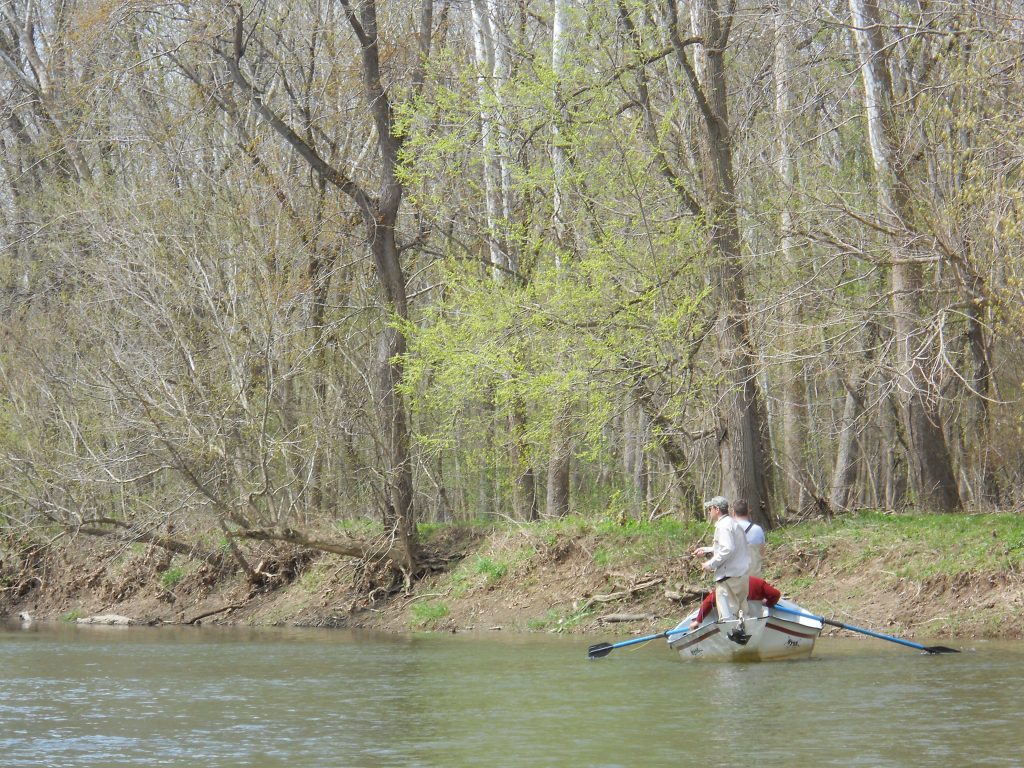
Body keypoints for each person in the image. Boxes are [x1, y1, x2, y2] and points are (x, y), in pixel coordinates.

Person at [691, 495, 751, 624]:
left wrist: (710, 564)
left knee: (728, 618)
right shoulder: (733, 523)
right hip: (741, 576)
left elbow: (727, 549)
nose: (709, 512)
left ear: (717, 509)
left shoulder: (723, 526)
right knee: (742, 614)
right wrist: (706, 550)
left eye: (710, 509)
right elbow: (727, 547)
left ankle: (733, 640)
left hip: (728, 579)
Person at [689, 576, 781, 630]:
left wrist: (698, 621)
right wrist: (768, 603)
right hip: (756, 623)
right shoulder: (756, 582)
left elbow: (708, 602)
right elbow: (775, 594)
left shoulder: (725, 587)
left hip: (734, 624)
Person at [732, 498, 765, 577]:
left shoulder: (729, 530)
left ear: (733, 513)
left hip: (735, 578)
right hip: (754, 577)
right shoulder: (758, 530)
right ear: (748, 512)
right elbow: (762, 553)